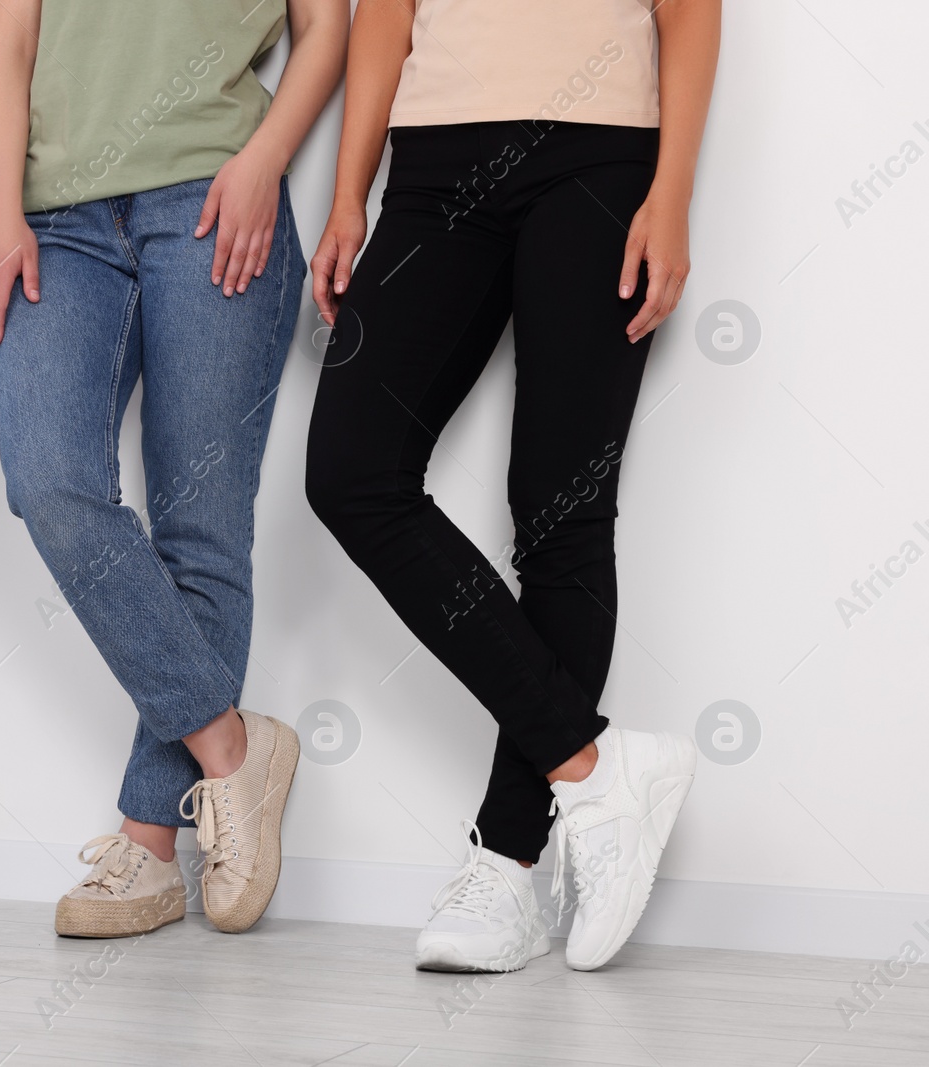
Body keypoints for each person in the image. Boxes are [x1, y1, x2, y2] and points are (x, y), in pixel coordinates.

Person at [305, 0, 720, 971]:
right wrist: (346, 194)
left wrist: (673, 191)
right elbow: (384, 15)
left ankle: (506, 860)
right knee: (351, 472)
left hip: (601, 155)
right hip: (434, 155)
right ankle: (595, 763)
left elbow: (689, 9)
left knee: (558, 512)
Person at [0, 0, 347, 939]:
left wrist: (265, 162)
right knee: (48, 479)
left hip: (215, 192)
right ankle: (234, 752)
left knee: (200, 527)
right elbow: (9, 35)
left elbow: (328, 28)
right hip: (55, 215)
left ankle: (148, 843)